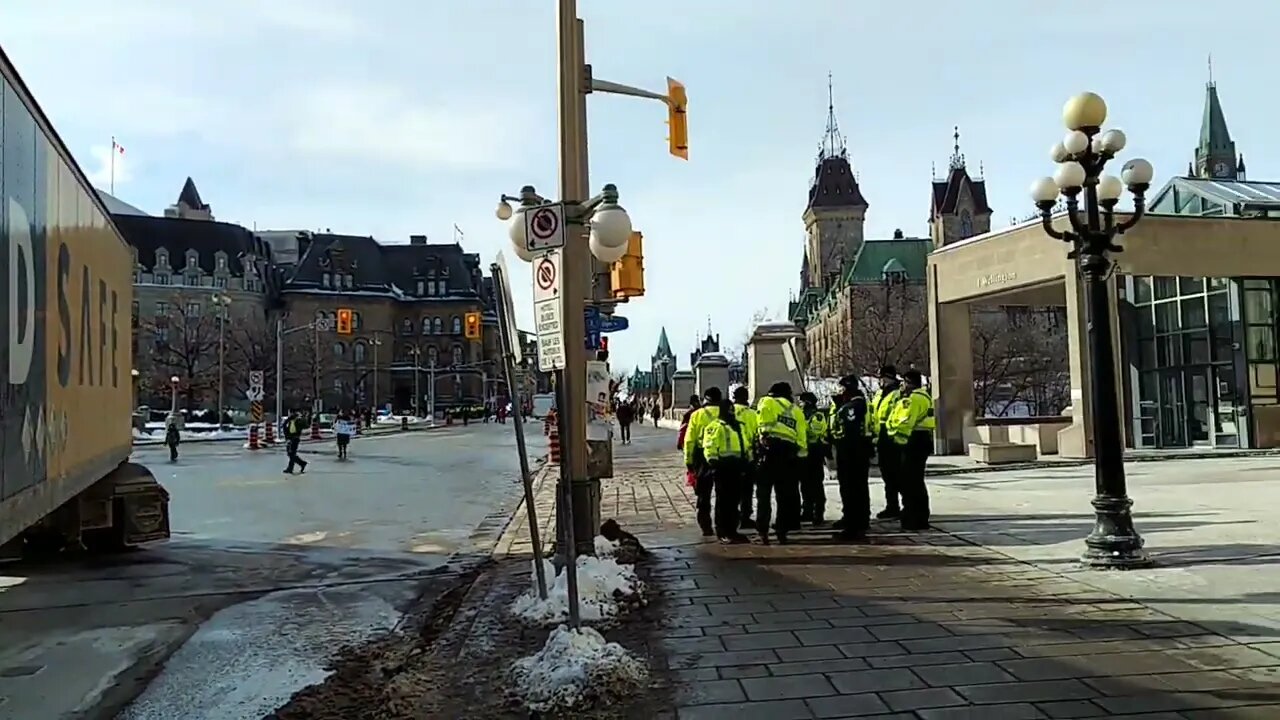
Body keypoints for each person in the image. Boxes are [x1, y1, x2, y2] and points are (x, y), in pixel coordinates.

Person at [754, 382, 806, 544]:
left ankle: (763, 531)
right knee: (784, 496)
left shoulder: (767, 402)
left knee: (764, 494)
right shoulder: (796, 410)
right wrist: (800, 456)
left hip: (769, 451)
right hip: (789, 454)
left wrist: (763, 438)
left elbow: (762, 423)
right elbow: (802, 436)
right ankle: (782, 531)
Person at [886, 369, 935, 531]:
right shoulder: (924, 396)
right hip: (921, 440)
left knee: (910, 482)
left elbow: (905, 422)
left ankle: (913, 517)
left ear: (909, 383)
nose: (902, 385)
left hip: (912, 441)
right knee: (917, 481)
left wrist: (895, 436)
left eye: (904, 382)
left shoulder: (912, 400)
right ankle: (920, 517)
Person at [698, 398, 751, 544]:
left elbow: (744, 444)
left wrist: (747, 459)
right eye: (728, 409)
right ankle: (722, 531)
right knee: (724, 501)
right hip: (723, 467)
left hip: (737, 466)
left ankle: (732, 529)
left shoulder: (738, 426)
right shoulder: (715, 426)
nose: (731, 412)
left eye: (732, 409)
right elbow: (709, 446)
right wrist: (714, 462)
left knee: (735, 500)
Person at [829, 376, 874, 541]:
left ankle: (853, 526)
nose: (839, 391)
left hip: (852, 452)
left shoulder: (854, 406)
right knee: (857, 487)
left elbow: (850, 430)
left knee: (852, 488)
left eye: (841, 388)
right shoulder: (859, 403)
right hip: (856, 451)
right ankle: (856, 521)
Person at [683, 388, 724, 537]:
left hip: (702, 457)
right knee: (723, 493)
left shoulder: (697, 415)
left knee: (703, 494)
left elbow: (689, 440)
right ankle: (722, 525)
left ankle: (706, 525)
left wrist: (688, 460)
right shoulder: (725, 412)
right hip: (723, 456)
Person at [871, 366, 904, 519]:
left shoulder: (898, 394)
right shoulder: (879, 394)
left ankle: (904, 505)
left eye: (882, 377)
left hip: (893, 438)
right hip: (881, 439)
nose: (880, 381)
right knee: (888, 476)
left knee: (897, 474)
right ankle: (892, 505)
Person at [798, 391, 830, 525]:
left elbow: (815, 432)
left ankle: (818, 513)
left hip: (815, 453)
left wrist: (801, 428)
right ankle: (807, 511)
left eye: (801, 401)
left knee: (816, 484)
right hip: (804, 454)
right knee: (805, 486)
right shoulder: (800, 415)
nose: (799, 404)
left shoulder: (817, 416)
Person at [731, 386, 759, 529]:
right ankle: (745, 517)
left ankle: (733, 517)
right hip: (748, 457)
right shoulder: (753, 414)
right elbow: (757, 435)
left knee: (732, 490)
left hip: (731, 456)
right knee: (747, 490)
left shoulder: (728, 412)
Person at [283, 410, 309, 474]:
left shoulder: (298, 420)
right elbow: (284, 427)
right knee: (290, 454)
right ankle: (302, 463)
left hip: (295, 438)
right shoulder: (288, 421)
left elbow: (306, 426)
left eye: (291, 413)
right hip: (289, 438)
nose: (290, 414)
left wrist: (304, 417)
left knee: (292, 453)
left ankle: (290, 468)